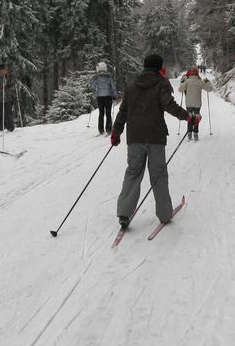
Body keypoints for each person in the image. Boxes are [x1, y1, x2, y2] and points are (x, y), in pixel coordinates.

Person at [110, 53, 201, 229]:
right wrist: (189, 117)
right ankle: (164, 214)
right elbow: (169, 105)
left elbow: (123, 111)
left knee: (133, 173)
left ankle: (124, 213)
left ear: (145, 66)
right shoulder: (161, 83)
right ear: (160, 67)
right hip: (155, 136)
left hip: (135, 137)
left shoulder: (133, 85)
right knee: (158, 175)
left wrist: (116, 131)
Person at [179, 67, 213, 141]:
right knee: (196, 117)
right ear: (197, 74)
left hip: (188, 103)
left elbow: (180, 90)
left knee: (189, 117)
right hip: (197, 103)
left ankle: (189, 133)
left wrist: (182, 82)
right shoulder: (200, 81)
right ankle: (195, 133)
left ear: (190, 74)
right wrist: (207, 82)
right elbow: (209, 89)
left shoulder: (187, 81)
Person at [90, 61, 118, 135]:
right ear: (105, 68)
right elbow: (113, 87)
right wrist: (114, 96)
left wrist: (93, 79)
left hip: (100, 97)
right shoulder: (109, 77)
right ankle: (109, 129)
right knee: (108, 113)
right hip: (108, 97)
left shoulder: (96, 78)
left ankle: (101, 129)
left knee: (101, 113)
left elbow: (92, 86)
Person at [0, 64, 15, 132]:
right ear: (1, 70)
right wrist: (1, 78)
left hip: (7, 97)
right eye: (5, 69)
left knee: (8, 112)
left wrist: (11, 84)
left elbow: (11, 83)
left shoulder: (8, 76)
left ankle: (10, 127)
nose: (6, 70)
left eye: (6, 69)